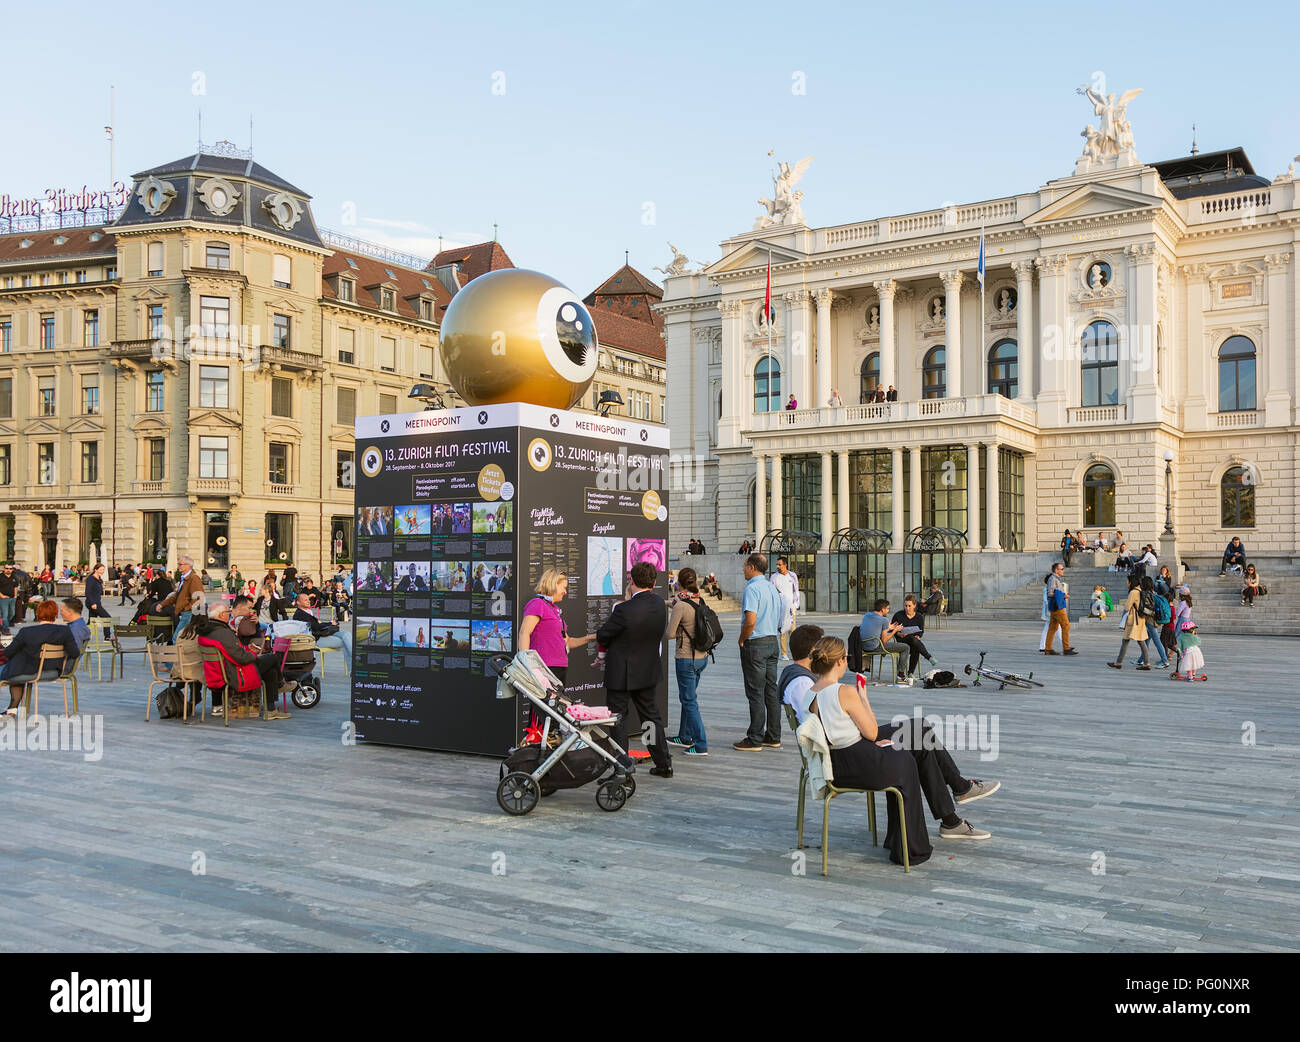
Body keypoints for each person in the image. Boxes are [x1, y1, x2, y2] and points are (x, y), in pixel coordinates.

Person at [800, 636, 997, 865]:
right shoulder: (844, 691)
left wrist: (872, 744)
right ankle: (943, 816)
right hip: (856, 759)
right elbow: (872, 733)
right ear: (841, 661)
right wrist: (864, 699)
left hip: (840, 758)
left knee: (919, 731)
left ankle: (954, 808)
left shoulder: (809, 693)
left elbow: (838, 730)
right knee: (910, 753)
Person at [596, 561, 672, 778]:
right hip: (648, 670)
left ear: (631, 580)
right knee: (650, 719)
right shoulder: (659, 604)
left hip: (622, 673)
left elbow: (604, 634)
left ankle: (622, 766)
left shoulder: (623, 610)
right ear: (654, 582)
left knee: (618, 720)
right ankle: (663, 763)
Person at [194, 604, 293, 719]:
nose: (229, 614)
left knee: (270, 671)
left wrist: (246, 649)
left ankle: (271, 709)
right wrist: (252, 653)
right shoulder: (223, 633)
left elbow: (230, 652)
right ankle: (280, 684)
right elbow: (241, 658)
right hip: (234, 674)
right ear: (221, 615)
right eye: (228, 612)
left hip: (217, 673)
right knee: (272, 658)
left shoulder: (207, 632)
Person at [734, 553, 784, 752]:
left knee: (755, 691)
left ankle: (754, 738)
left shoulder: (752, 588)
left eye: (745, 566)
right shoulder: (771, 587)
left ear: (752, 567)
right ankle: (773, 736)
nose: (743, 569)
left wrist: (741, 639)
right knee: (771, 691)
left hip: (756, 643)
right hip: (772, 641)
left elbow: (751, 620)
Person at [2, 599, 81, 714]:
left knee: (14, 669)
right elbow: (74, 653)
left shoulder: (26, 632)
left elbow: (8, 652)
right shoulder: (64, 631)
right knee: (17, 668)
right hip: (52, 672)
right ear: (55, 614)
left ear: (37, 614)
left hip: (26, 672)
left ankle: (12, 709)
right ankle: (12, 709)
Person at [519, 567, 595, 683]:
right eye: (564, 587)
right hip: (543, 667)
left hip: (559, 668)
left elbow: (568, 642)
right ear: (553, 584)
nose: (565, 592)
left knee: (556, 701)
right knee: (544, 701)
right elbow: (524, 633)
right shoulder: (537, 604)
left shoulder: (554, 610)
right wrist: (526, 665)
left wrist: (593, 637)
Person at [664, 567, 711, 756]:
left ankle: (700, 745)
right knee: (688, 697)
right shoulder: (699, 600)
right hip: (702, 657)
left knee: (689, 700)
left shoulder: (681, 606)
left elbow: (669, 634)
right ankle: (684, 736)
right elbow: (677, 603)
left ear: (680, 583)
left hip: (686, 659)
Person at [780, 623, 824, 724]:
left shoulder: (796, 673)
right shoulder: (803, 683)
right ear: (814, 651)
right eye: (823, 647)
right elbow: (814, 721)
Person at [292, 592, 353, 660]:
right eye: (305, 600)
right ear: (298, 602)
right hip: (315, 638)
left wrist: (328, 623)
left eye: (308, 599)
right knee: (346, 643)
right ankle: (353, 665)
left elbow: (317, 625)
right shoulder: (299, 614)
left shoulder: (307, 611)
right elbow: (314, 626)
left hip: (321, 633)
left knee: (346, 634)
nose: (309, 601)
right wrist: (329, 623)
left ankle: (354, 661)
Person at [158, 555, 204, 643]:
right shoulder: (184, 578)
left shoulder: (193, 578)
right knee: (180, 638)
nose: (178, 566)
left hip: (189, 613)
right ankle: (180, 655)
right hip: (186, 612)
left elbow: (199, 596)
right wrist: (162, 604)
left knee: (176, 638)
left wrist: (187, 608)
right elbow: (177, 595)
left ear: (188, 566)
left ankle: (178, 656)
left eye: (180, 564)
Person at [1108, 575, 1150, 670]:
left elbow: (1127, 607)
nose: (1127, 583)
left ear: (1131, 582)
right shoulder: (1140, 591)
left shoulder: (1133, 592)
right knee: (1140, 641)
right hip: (1140, 619)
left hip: (1133, 620)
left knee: (1127, 640)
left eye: (1128, 581)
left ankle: (1119, 662)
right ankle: (1146, 663)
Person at [890, 594, 938, 679]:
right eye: (905, 606)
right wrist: (898, 633)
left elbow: (921, 631)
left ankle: (910, 673)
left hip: (914, 642)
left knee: (915, 645)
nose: (907, 608)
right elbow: (891, 630)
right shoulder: (898, 615)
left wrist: (918, 636)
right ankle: (928, 657)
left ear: (914, 605)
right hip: (901, 640)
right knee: (913, 640)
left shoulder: (919, 617)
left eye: (909, 606)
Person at [859, 598, 909, 674]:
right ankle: (901, 674)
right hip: (874, 647)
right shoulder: (884, 620)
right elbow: (884, 640)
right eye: (888, 609)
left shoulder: (867, 615)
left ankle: (883, 655)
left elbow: (874, 628)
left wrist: (888, 628)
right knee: (905, 647)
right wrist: (895, 630)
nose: (888, 611)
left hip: (862, 646)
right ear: (883, 609)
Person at [769, 556, 800, 659]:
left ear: (785, 565)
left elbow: (796, 590)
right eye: (777, 564)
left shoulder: (792, 576)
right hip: (780, 608)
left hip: (791, 608)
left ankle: (796, 653)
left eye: (780, 564)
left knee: (793, 631)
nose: (778, 566)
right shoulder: (774, 577)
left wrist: (796, 604)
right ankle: (784, 653)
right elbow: (771, 593)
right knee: (783, 631)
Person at [1135, 577, 1170, 668]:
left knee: (1157, 641)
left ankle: (1165, 661)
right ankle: (1141, 659)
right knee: (1146, 640)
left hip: (1151, 621)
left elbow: (1146, 609)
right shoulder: (1153, 593)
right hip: (1154, 620)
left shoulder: (1146, 594)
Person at [1044, 562, 1077, 655]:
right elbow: (1050, 593)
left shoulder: (1055, 579)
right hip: (1057, 606)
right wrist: (1063, 595)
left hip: (1055, 606)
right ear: (1056, 570)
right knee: (1066, 625)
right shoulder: (1053, 579)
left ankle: (1048, 649)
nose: (1063, 570)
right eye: (1061, 569)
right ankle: (1066, 648)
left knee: (1053, 627)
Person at [0, 563, 18, 635]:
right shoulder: (0, 577)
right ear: (4, 569)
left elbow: (15, 587)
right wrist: (1, 596)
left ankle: (2, 625)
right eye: (7, 568)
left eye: (10, 569)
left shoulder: (14, 577)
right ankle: (6, 629)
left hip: (12, 598)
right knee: (5, 614)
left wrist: (15, 596)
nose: (8, 570)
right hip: (3, 599)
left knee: (12, 613)